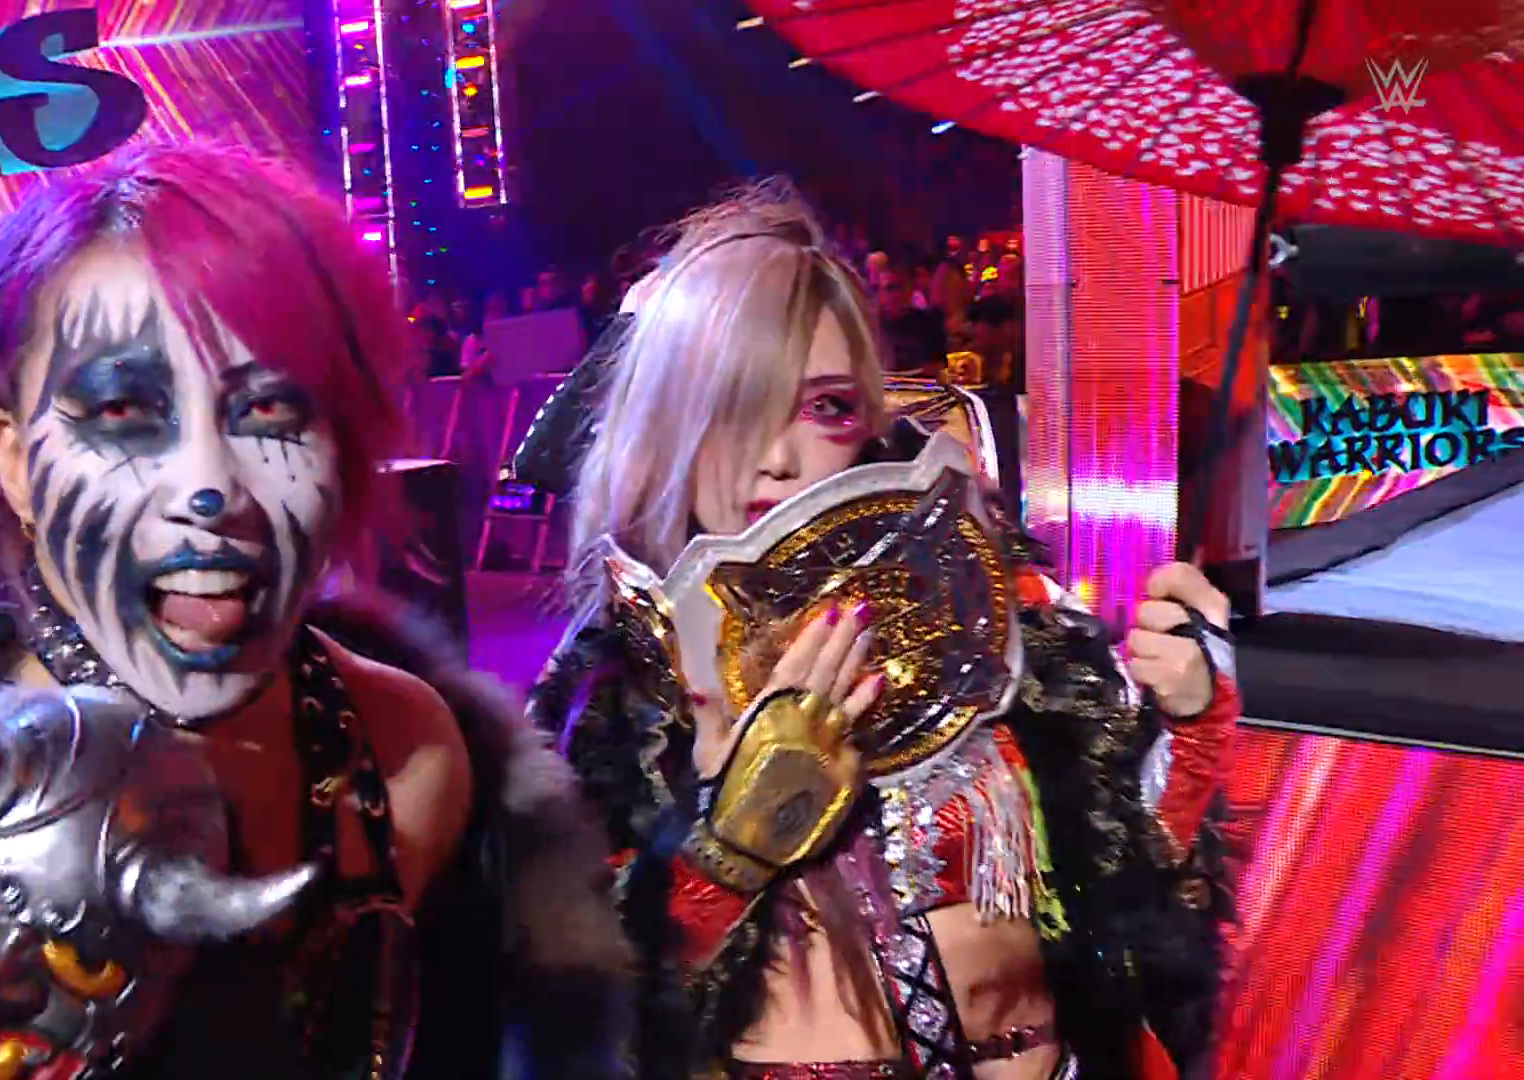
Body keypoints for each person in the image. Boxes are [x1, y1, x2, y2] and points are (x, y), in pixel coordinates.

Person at [0, 142, 627, 1080]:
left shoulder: (399, 755)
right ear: (13, 460)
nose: (209, 486)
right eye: (125, 412)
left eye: (271, 410)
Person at [525, 184, 1238, 1080]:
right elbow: (580, 1015)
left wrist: (1191, 730)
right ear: (664, 420)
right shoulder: (613, 693)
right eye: (735, 406)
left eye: (825, 406)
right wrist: (730, 848)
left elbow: (1138, 901)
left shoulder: (996, 612)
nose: (776, 458)